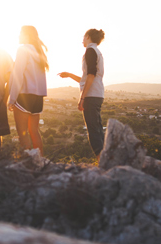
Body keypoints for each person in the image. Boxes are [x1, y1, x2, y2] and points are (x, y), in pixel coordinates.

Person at [58, 28, 105, 161]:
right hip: (97, 94)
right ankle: (104, 160)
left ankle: (102, 162)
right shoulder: (97, 52)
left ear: (88, 36)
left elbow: (90, 75)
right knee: (98, 129)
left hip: (91, 95)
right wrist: (69, 75)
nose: (82, 40)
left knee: (93, 131)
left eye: (84, 37)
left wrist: (82, 98)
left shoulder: (90, 51)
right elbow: (86, 78)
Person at [8, 25, 48, 155]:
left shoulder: (23, 49)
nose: (18, 36)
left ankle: (26, 162)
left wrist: (12, 98)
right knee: (34, 131)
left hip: (24, 96)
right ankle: (40, 160)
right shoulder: (39, 51)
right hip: (38, 98)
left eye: (20, 33)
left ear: (26, 35)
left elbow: (18, 74)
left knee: (22, 132)